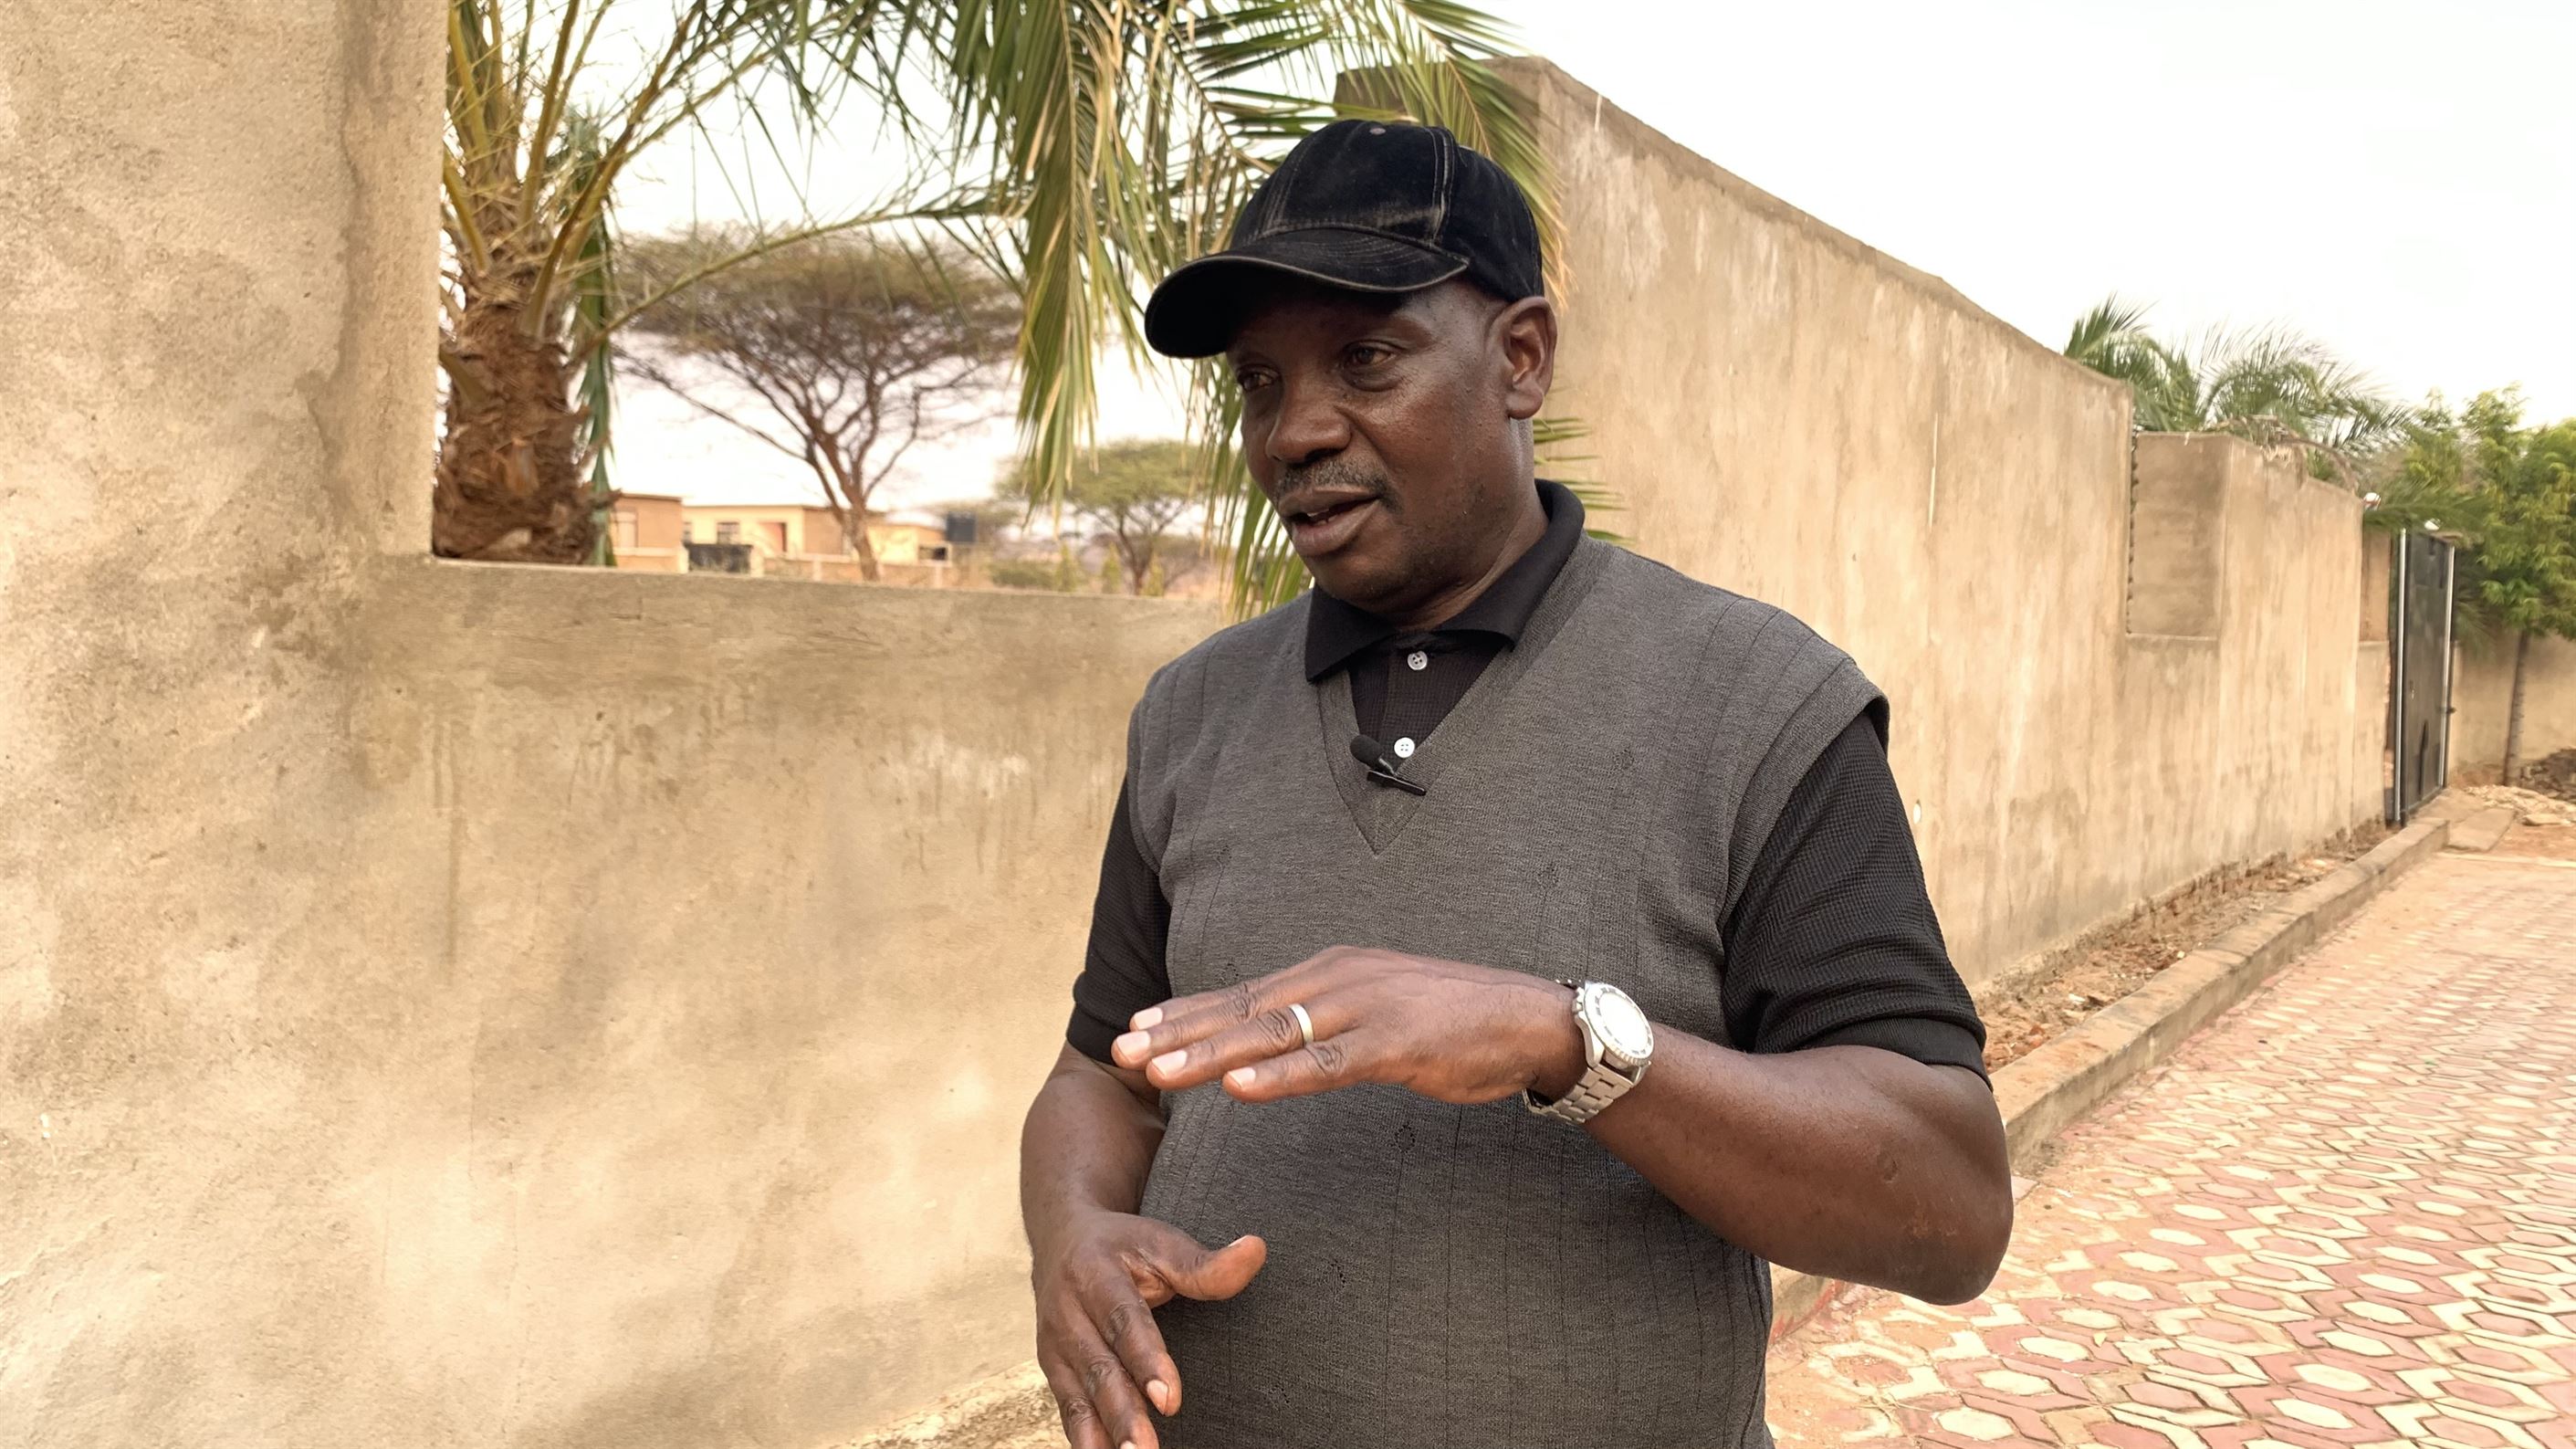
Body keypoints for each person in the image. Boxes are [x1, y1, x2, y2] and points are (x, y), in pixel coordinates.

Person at [1017, 118, 2012, 1449]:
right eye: (1260, 383)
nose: (1295, 431)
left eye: (1365, 358)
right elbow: (1104, 1074)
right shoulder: (1193, 710)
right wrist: (1073, 1236)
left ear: (1520, 358)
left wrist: (1571, 1041)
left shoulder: (1753, 703)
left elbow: (1948, 1208)